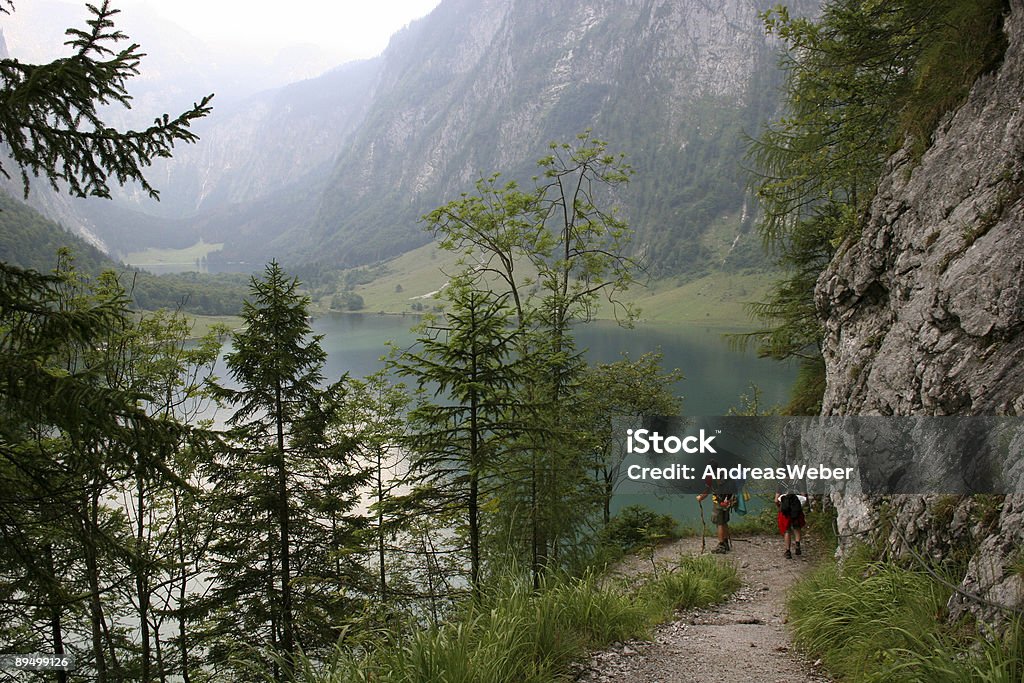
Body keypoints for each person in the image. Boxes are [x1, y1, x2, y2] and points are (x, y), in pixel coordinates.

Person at [697, 463, 736, 554]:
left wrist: (700, 497)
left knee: (719, 523)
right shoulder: (725, 473)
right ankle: (725, 542)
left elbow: (707, 491)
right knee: (724, 522)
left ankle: (721, 545)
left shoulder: (711, 476)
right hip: (727, 502)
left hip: (718, 502)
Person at [776, 491, 806, 559]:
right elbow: (804, 497)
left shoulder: (782, 483)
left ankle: (788, 551)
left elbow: (776, 500)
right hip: (796, 509)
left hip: (785, 511)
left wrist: (780, 507)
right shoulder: (799, 481)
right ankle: (797, 544)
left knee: (787, 530)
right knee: (796, 527)